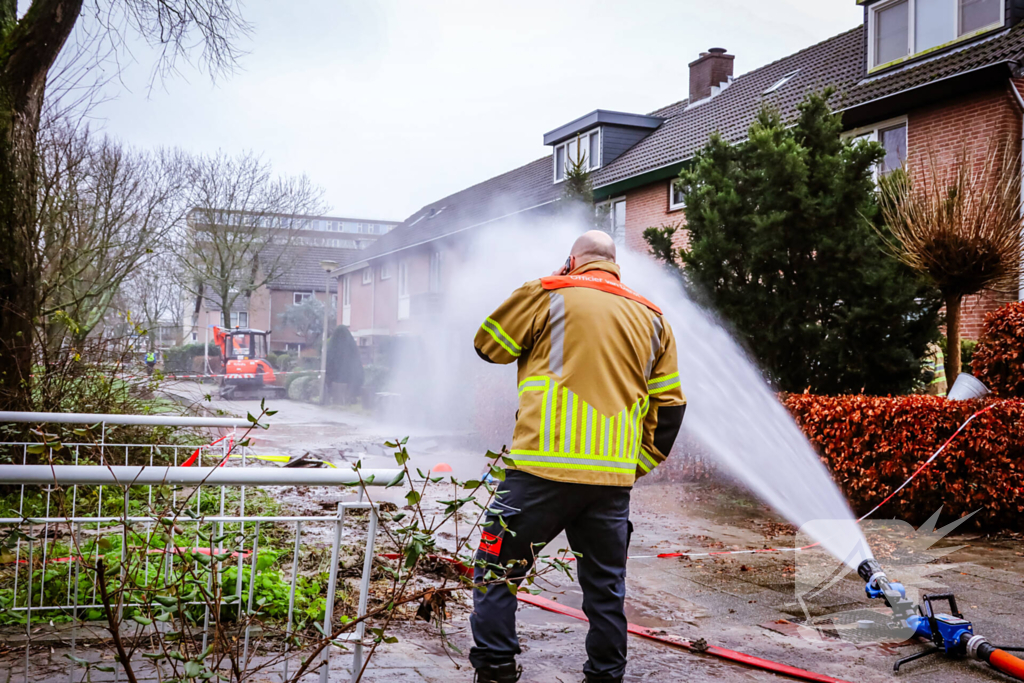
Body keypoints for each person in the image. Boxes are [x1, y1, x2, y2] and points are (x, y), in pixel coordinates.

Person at [470, 230, 687, 683]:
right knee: (606, 593)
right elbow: (670, 409)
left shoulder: (547, 292)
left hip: (538, 473)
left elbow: (488, 347)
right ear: (614, 265)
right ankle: (606, 676)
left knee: (496, 571)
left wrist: (544, 289)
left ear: (572, 261)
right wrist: (634, 465)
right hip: (610, 485)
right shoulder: (653, 318)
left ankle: (496, 671)